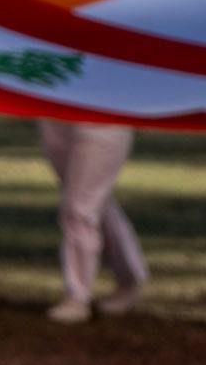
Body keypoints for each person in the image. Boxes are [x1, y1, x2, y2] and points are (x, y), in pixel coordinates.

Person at [37, 118, 146, 323]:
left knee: (79, 209)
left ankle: (77, 297)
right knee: (93, 204)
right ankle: (129, 276)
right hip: (56, 114)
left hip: (103, 120)